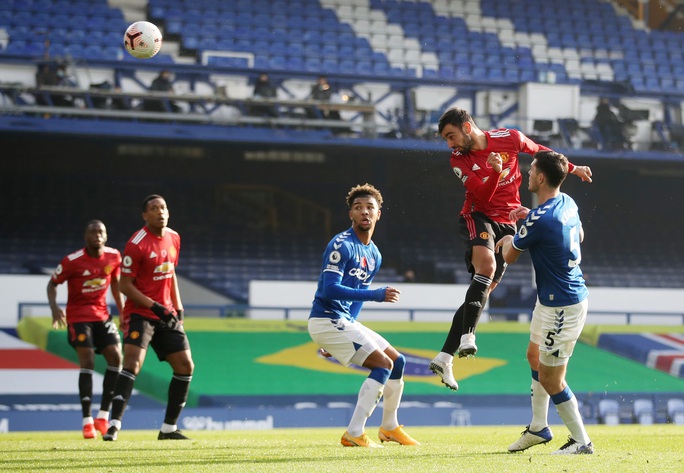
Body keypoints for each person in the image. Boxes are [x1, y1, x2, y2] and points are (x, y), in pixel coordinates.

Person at [428, 107, 593, 392]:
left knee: (482, 293)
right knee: (487, 267)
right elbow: (481, 194)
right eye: (446, 139)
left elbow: (541, 153)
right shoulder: (458, 159)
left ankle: (444, 357)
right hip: (478, 215)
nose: (450, 144)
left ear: (467, 127)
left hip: (509, 219)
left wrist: (572, 167)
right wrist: (496, 172)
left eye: (451, 136)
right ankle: (468, 335)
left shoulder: (509, 138)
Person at [496, 150, 593, 455]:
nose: (527, 174)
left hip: (562, 305)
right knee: (534, 356)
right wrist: (530, 221)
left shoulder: (541, 218)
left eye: (531, 169)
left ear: (540, 177)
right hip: (552, 300)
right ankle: (539, 427)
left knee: (552, 378)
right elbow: (579, 233)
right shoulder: (567, 203)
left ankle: (581, 441)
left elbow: (510, 256)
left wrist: (510, 236)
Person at [308, 183, 419, 448]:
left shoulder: (374, 253)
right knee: (382, 365)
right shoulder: (341, 245)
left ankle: (390, 427)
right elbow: (330, 289)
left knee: (397, 361)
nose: (364, 212)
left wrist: (348, 328)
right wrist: (376, 295)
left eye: (370, 207)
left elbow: (356, 292)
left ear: (379, 213)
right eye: (358, 208)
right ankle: (354, 433)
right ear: (351, 215)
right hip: (325, 318)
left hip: (342, 321)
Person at [103, 194, 194, 441]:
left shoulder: (174, 237)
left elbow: (171, 272)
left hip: (167, 313)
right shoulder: (137, 243)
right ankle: (114, 425)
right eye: (154, 209)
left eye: (163, 207)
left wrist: (178, 306)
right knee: (132, 364)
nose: (160, 212)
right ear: (145, 215)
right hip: (141, 313)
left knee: (185, 366)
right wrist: (156, 307)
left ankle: (168, 429)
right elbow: (125, 285)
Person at [47, 220, 124, 439]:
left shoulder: (114, 257)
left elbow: (117, 285)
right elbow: (52, 284)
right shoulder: (72, 261)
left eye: (101, 232)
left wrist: (123, 312)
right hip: (79, 317)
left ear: (106, 236)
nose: (97, 235)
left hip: (102, 316)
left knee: (116, 358)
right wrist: (54, 308)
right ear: (85, 236)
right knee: (88, 359)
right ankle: (87, 421)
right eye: (93, 231)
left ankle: (102, 416)